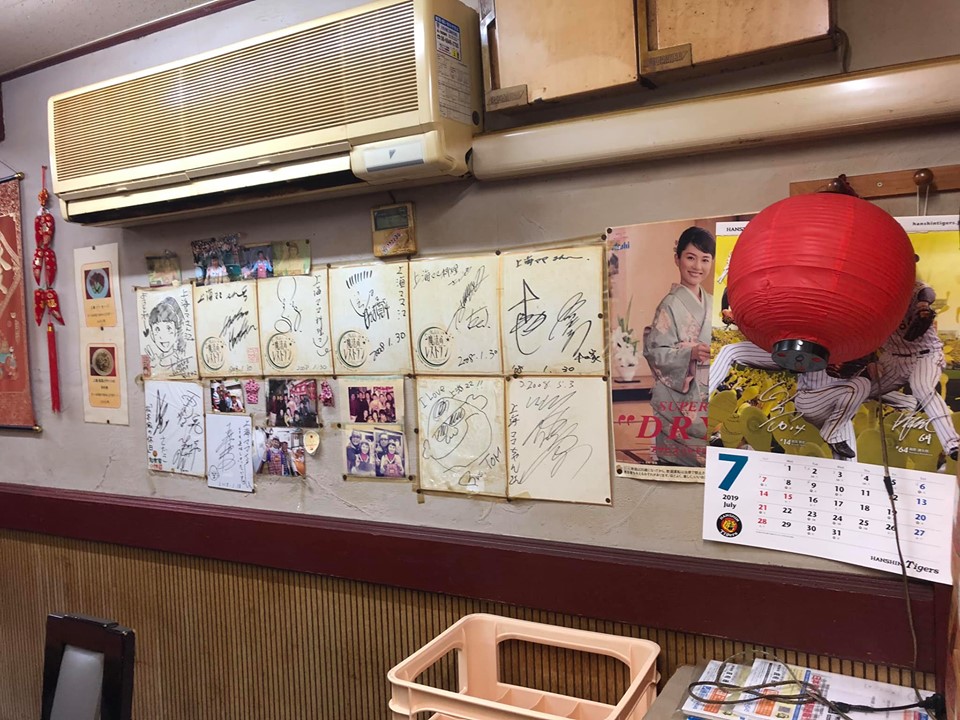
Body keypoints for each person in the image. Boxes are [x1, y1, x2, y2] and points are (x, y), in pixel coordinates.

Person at [708, 340, 870, 461]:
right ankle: (700, 403)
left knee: (848, 461)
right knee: (730, 351)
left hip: (829, 390)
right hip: (800, 364)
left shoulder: (852, 339)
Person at [641, 226, 715, 466]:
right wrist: (689, 353)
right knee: (678, 463)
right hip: (678, 394)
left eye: (705, 259)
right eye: (690, 257)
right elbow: (656, 353)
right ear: (677, 259)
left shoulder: (713, 303)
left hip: (708, 391)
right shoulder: (670, 305)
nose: (697, 266)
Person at [873, 280, 959, 464]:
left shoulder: (907, 286)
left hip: (924, 355)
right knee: (864, 389)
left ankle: (953, 444)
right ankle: (907, 402)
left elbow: (925, 291)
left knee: (922, 387)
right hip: (893, 359)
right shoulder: (871, 296)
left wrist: (923, 304)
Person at [147, 297, 187, 369]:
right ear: (152, 335)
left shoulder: (180, 359)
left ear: (176, 332)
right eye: (157, 329)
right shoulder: (155, 360)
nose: (163, 336)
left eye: (169, 328)